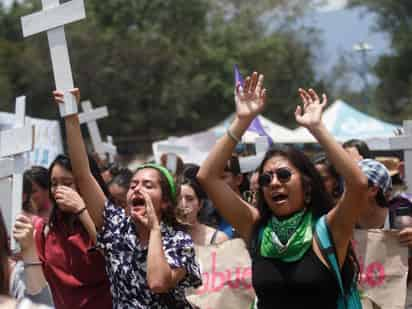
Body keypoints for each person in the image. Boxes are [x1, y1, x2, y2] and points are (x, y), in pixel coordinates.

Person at [197, 72, 368, 308]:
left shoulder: (328, 229)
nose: (274, 182)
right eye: (266, 178)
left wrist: (317, 128)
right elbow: (207, 177)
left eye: (284, 175)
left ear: (307, 184)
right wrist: (242, 120)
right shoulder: (256, 228)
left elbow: (358, 183)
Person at [53, 89, 202, 308]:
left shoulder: (179, 242)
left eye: (147, 185)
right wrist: (71, 116)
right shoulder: (117, 228)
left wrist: (153, 230)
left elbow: (158, 282)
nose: (137, 189)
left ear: (166, 202)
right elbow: (83, 176)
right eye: (133, 185)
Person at [33, 154, 112, 309]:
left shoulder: (105, 220)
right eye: (54, 184)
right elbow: (37, 285)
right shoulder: (47, 230)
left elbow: (113, 254)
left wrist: (81, 210)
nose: (59, 190)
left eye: (67, 183)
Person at [178, 178, 228, 246]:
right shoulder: (163, 236)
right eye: (178, 199)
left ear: (200, 204)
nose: (183, 204)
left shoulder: (217, 239)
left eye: (190, 199)